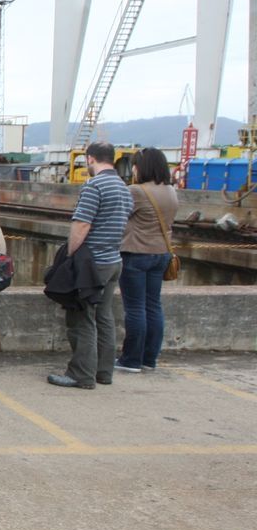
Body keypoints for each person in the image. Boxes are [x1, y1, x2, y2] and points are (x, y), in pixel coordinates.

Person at [48, 142, 134, 390]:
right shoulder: (123, 188)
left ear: (90, 159)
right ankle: (103, 372)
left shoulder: (94, 186)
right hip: (113, 261)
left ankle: (81, 374)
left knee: (81, 318)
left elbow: (82, 224)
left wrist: (70, 256)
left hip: (92, 263)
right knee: (104, 317)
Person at [117, 147, 178, 372]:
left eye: (135, 165)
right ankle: (148, 359)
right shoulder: (171, 191)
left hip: (136, 254)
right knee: (153, 306)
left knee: (134, 308)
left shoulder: (136, 191)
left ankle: (131, 360)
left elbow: (118, 216)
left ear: (141, 167)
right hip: (161, 254)